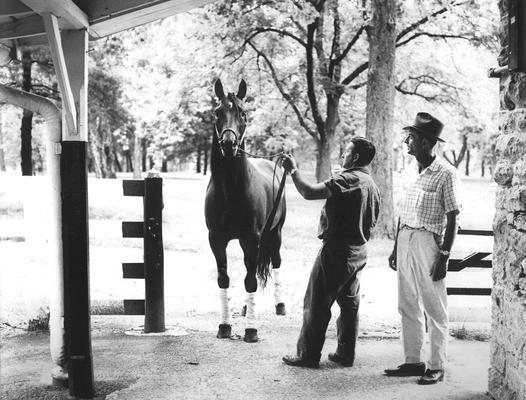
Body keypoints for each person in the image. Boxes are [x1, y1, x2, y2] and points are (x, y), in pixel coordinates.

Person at [281, 136, 381, 369]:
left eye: (346, 153)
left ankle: (308, 355)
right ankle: (346, 353)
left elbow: (309, 192)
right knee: (349, 304)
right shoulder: (372, 185)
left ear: (355, 157)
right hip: (359, 252)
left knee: (316, 302)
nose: (342, 156)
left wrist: (293, 171)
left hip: (337, 252)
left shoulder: (347, 180)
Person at [384, 112, 461, 385]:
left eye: (413, 137)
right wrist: (395, 248)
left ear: (428, 143)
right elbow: (402, 214)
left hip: (429, 242)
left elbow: (453, 217)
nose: (407, 141)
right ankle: (412, 361)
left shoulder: (446, 174)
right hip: (405, 238)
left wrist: (444, 255)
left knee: (434, 308)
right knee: (407, 304)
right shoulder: (408, 170)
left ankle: (437, 365)